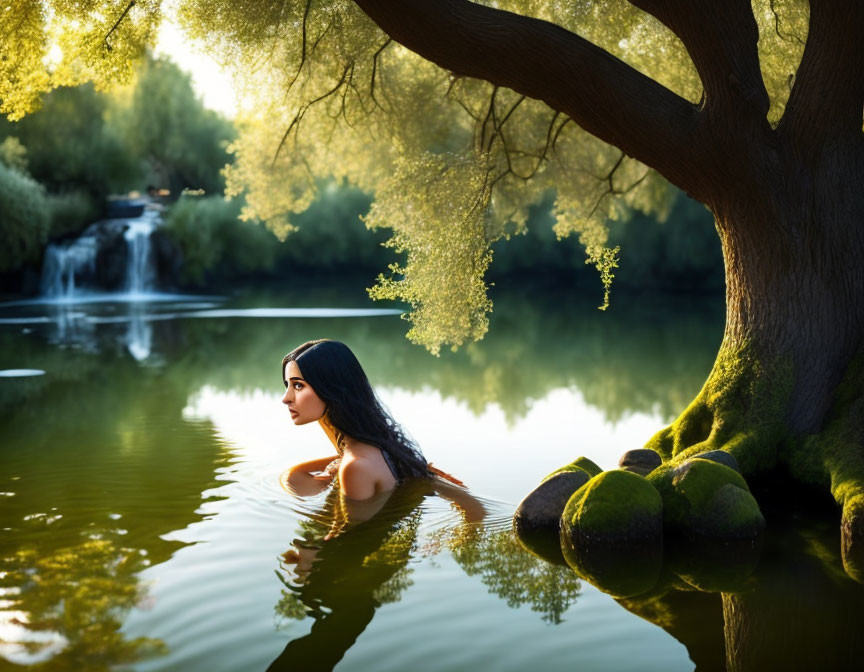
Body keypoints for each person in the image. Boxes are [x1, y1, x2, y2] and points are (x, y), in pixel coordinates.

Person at [280, 339, 467, 501]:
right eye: (288, 385)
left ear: (331, 388)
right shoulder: (381, 449)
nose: (286, 398)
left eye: (298, 385)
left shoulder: (355, 468)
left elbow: (352, 540)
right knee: (292, 477)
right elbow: (295, 477)